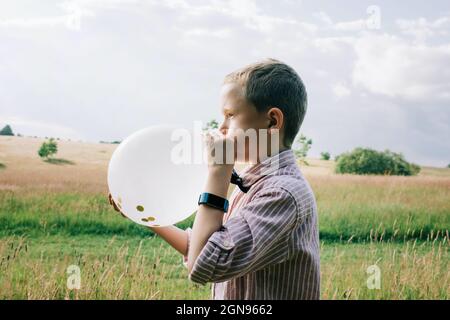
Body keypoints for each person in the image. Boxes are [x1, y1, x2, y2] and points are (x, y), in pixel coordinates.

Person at [109, 59, 320, 299]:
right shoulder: (252, 184)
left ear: (272, 121)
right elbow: (207, 245)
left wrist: (218, 172)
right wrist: (147, 213)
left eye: (231, 115)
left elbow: (204, 261)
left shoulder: (283, 194)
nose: (221, 127)